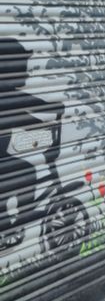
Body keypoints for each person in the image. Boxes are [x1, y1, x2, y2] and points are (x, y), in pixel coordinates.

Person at [0, 38, 63, 249]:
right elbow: (25, 110)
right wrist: (52, 112)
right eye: (23, 67)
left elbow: (26, 109)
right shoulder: (6, 92)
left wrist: (49, 110)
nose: (27, 73)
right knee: (27, 173)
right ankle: (15, 220)